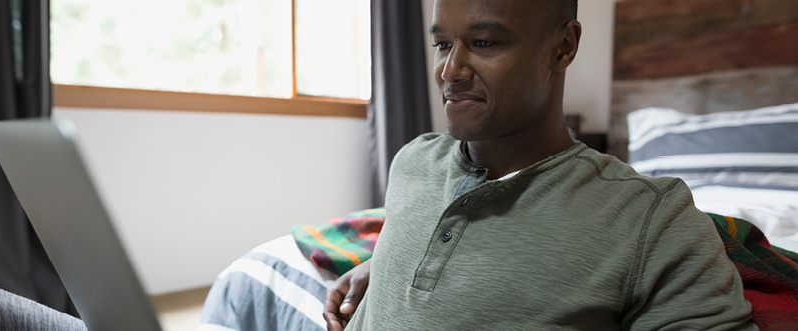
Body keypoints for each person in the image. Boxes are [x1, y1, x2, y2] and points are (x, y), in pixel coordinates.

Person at [323, 0, 757, 330]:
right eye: (441, 44)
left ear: (563, 48)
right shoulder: (413, 159)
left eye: (484, 43)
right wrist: (378, 267)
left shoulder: (653, 218)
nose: (448, 70)